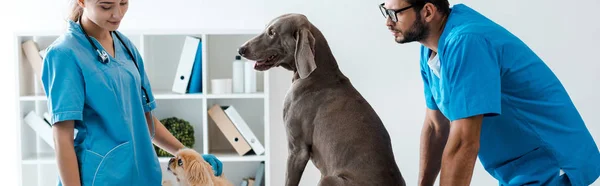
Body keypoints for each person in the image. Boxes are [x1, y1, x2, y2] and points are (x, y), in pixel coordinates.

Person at [379, 0, 600, 185]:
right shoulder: (430, 49)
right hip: (519, 171)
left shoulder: (467, 41)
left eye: (394, 13)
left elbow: (464, 141)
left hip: (554, 167)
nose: (388, 22)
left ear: (427, 11)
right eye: (385, 10)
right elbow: (436, 127)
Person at [41, 0, 223, 185]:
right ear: (81, 2)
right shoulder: (63, 54)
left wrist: (188, 155)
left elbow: (144, 117)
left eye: (123, 3)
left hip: (144, 174)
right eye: (106, 6)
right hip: (100, 177)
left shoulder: (125, 46)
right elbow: (62, 137)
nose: (118, 14)